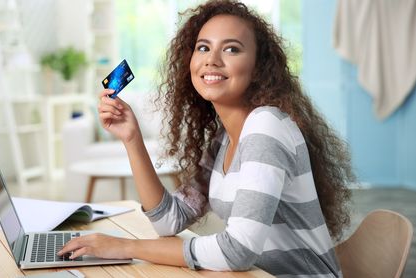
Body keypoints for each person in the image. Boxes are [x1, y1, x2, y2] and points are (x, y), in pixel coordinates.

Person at [58, 0, 355, 276]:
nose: (211, 60)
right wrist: (131, 138)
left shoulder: (267, 127)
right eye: (203, 48)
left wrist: (125, 247)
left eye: (232, 49)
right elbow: (169, 220)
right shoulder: (224, 140)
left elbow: (237, 251)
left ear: (258, 67)